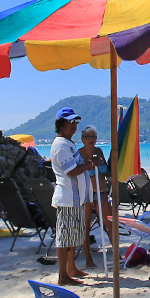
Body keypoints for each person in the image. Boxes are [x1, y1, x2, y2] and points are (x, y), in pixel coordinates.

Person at [49, 107, 97, 285]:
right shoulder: (60, 145)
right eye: (70, 122)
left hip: (75, 199)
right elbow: (71, 171)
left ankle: (71, 269)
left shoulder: (69, 143)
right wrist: (90, 165)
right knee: (64, 238)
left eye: (75, 122)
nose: (74, 126)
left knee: (72, 236)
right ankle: (63, 276)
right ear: (61, 124)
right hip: (68, 198)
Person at [78, 125, 110, 270]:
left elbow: (107, 171)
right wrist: (90, 165)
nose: (91, 139)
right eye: (88, 137)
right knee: (86, 226)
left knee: (110, 223)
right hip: (86, 195)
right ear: (82, 139)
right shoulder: (78, 154)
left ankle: (116, 253)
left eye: (94, 136)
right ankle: (88, 258)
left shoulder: (99, 151)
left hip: (102, 193)